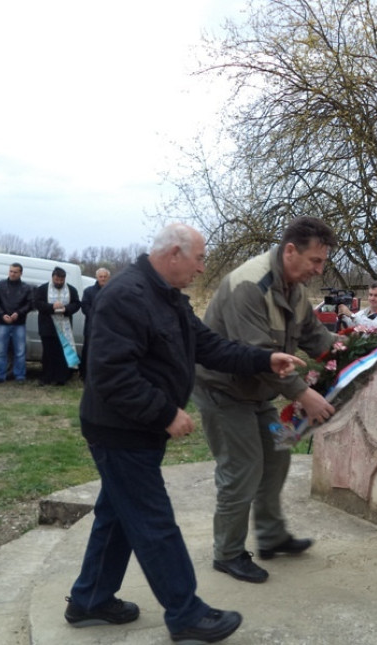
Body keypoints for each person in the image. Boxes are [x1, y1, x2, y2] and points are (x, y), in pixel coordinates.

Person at [64, 223, 305, 644]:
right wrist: (164, 413)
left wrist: (265, 359)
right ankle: (187, 613)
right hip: (120, 431)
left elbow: (209, 346)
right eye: (199, 258)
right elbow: (110, 375)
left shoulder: (167, 298)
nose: (202, 268)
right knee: (154, 523)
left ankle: (89, 600)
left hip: (134, 430)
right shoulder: (126, 296)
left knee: (118, 515)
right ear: (174, 254)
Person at [191, 216, 338, 584]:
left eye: (323, 262)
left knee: (278, 453)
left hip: (259, 395)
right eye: (315, 262)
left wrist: (362, 349)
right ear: (291, 251)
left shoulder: (295, 286)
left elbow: (316, 336)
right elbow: (257, 357)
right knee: (242, 468)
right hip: (223, 391)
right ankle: (227, 554)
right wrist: (305, 395)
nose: (319, 271)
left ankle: (272, 537)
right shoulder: (248, 285)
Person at [34, 267, 81, 386]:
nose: (59, 282)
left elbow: (76, 304)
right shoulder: (43, 289)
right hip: (48, 326)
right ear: (52, 277)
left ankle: (61, 378)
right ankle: (46, 377)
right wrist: (51, 307)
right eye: (57, 279)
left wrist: (67, 309)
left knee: (62, 353)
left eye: (61, 280)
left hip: (64, 327)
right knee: (48, 353)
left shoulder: (71, 290)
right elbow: (37, 303)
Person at [0, 262, 33, 384]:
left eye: (15, 272)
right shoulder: (0, 285)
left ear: (20, 273)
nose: (12, 274)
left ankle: (19, 376)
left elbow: (30, 304)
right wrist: (2, 314)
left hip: (19, 323)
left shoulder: (26, 288)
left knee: (20, 351)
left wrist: (18, 313)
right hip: (2, 323)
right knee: (1, 351)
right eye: (11, 271)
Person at [78, 267, 110, 379]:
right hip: (92, 327)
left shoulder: (113, 290)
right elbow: (84, 307)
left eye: (105, 277)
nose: (103, 279)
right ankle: (85, 374)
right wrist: (97, 315)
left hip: (108, 328)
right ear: (97, 277)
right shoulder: (88, 291)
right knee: (88, 351)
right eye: (101, 277)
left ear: (108, 278)